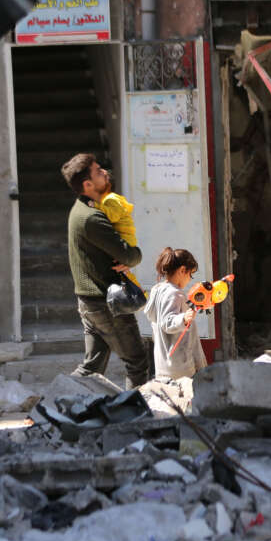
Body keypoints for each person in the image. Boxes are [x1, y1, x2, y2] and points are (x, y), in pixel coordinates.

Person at [60, 152, 152, 387]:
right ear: (88, 184)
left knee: (92, 366)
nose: (104, 172)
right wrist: (135, 255)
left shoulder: (81, 209)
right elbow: (127, 254)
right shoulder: (92, 218)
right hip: (105, 302)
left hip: (89, 301)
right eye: (98, 171)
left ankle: (57, 402)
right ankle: (136, 415)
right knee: (137, 361)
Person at [144, 247, 208, 381]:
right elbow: (167, 322)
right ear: (182, 270)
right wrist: (183, 319)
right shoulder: (174, 293)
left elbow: (153, 316)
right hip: (180, 366)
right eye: (190, 274)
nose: (190, 279)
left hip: (163, 364)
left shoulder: (158, 290)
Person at [98, 171, 143, 293]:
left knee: (122, 270)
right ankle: (137, 291)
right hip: (127, 239)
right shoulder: (113, 199)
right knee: (123, 270)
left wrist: (96, 206)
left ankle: (137, 292)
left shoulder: (110, 200)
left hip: (125, 239)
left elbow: (113, 216)